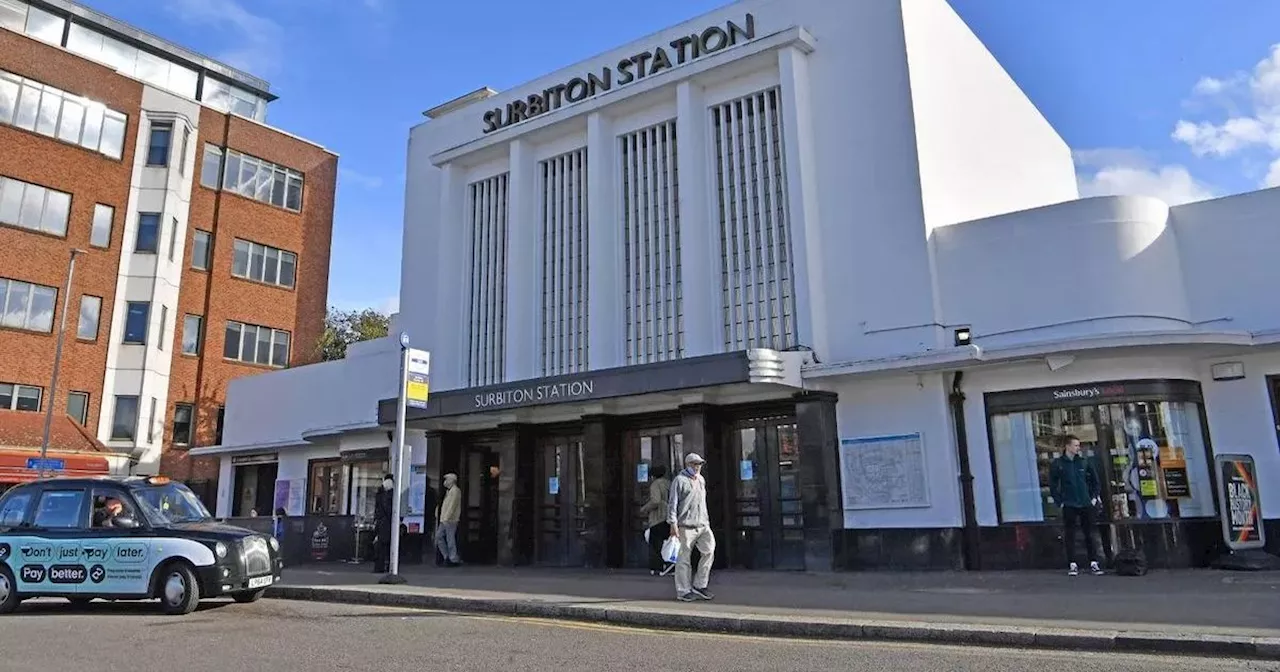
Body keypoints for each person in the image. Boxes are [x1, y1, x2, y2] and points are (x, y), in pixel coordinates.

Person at [1049, 435, 1105, 576]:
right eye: (1075, 445)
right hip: (1069, 503)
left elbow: (1095, 481)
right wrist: (1059, 501)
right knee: (1070, 534)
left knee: (1089, 533)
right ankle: (1072, 563)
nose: (1078, 448)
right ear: (1067, 446)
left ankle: (1094, 562)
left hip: (1085, 502)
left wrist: (1093, 497)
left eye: (1078, 445)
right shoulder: (1058, 464)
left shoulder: (1084, 462)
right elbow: (1053, 484)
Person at [668, 453, 714, 602]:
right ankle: (683, 590)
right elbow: (672, 504)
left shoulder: (701, 480)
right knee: (683, 559)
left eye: (699, 464)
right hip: (685, 525)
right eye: (694, 464)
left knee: (709, 551)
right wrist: (673, 524)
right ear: (687, 465)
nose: (697, 467)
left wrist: (706, 521)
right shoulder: (679, 480)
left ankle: (700, 585)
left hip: (703, 524)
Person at [640, 464, 674, 576]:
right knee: (668, 542)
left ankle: (658, 567)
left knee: (655, 544)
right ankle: (670, 564)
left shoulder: (655, 484)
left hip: (658, 517)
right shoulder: (669, 483)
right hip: (670, 517)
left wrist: (644, 508)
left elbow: (656, 501)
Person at [435, 472, 462, 567]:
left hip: (450, 520)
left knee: (450, 539)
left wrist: (446, 517)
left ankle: (453, 558)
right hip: (444, 519)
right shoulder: (448, 491)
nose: (445, 482)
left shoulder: (455, 491)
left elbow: (452, 506)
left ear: (451, 481)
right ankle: (447, 556)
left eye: (447, 479)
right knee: (439, 537)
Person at [372, 473, 394, 574]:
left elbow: (377, 509)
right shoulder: (390, 494)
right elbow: (388, 509)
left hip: (381, 523)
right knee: (386, 546)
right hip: (387, 523)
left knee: (380, 546)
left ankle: (379, 566)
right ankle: (387, 566)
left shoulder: (380, 493)